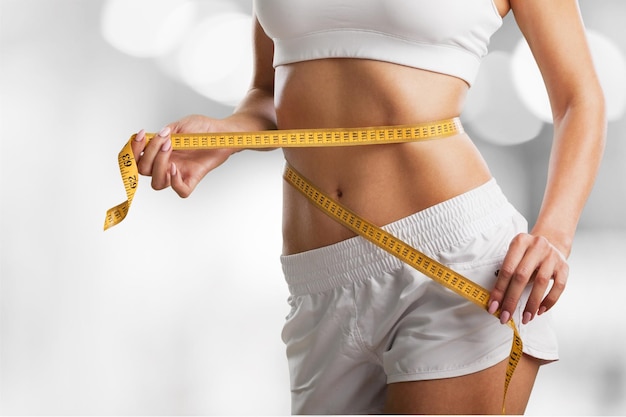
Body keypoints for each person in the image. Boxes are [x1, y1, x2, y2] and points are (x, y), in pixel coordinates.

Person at [130, 0, 606, 414]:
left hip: (452, 267)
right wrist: (228, 134)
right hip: (317, 281)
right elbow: (269, 96)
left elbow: (578, 98)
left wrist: (555, 236)